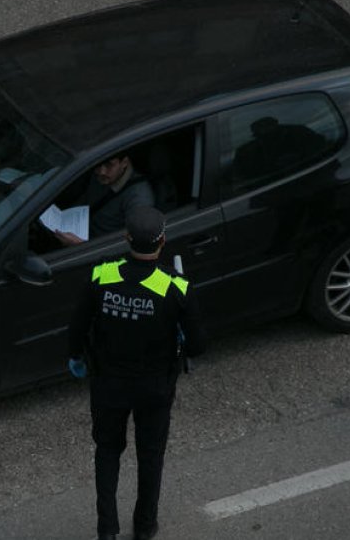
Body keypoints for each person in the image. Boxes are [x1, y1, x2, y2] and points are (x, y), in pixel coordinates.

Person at [67, 207, 208, 540]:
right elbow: (199, 345)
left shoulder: (101, 275)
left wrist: (75, 357)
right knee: (150, 455)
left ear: (127, 238)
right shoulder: (175, 286)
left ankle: (107, 530)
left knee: (107, 452)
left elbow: (77, 326)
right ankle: (144, 528)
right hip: (154, 387)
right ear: (163, 241)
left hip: (108, 383)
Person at [55, 152, 155, 246]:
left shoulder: (139, 198)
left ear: (124, 163)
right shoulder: (99, 175)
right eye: (99, 164)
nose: (101, 171)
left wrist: (80, 245)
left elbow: (135, 244)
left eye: (109, 165)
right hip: (75, 227)